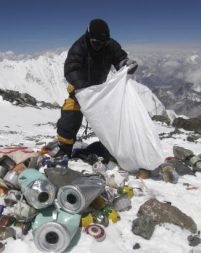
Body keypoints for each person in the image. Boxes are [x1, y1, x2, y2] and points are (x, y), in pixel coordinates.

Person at [54, 18, 138, 157]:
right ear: (88, 37)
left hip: (100, 91)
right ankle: (64, 148)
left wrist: (126, 64)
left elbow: (120, 59)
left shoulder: (110, 45)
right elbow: (71, 69)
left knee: (112, 119)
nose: (98, 45)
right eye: (95, 42)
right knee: (71, 115)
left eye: (102, 43)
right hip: (79, 90)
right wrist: (83, 88)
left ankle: (114, 149)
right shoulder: (79, 47)